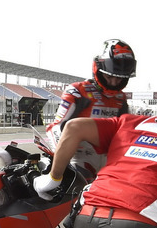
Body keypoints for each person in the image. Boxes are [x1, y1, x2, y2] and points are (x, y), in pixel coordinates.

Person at [45, 39, 136, 179]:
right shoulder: (77, 91)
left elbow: (125, 132)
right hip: (78, 158)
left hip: (108, 160)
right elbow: (55, 128)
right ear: (98, 70)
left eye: (119, 79)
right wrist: (63, 161)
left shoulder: (121, 98)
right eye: (110, 76)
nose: (114, 82)